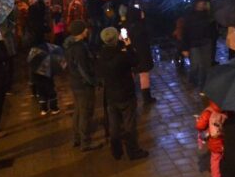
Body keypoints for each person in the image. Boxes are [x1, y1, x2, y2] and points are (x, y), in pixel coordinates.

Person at [96, 27, 149, 160]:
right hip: (126, 93)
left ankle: (116, 150)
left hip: (111, 95)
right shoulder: (122, 56)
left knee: (114, 124)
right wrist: (129, 45)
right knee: (129, 123)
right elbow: (136, 61)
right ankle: (133, 151)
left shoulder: (101, 55)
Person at [63, 20, 102, 152]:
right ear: (80, 31)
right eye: (85, 29)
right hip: (83, 85)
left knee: (78, 111)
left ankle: (77, 138)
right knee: (86, 112)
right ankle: (86, 142)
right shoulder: (79, 48)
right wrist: (93, 81)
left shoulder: (70, 45)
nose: (87, 31)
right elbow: (83, 69)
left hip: (75, 83)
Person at [181, 0, 217, 95]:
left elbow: (212, 30)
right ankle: (192, 80)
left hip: (205, 42)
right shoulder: (190, 15)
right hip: (193, 43)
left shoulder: (208, 15)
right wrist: (185, 47)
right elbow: (185, 31)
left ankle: (203, 87)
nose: (203, 4)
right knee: (195, 65)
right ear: (196, 3)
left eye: (204, 2)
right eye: (201, 2)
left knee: (205, 66)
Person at [27, 33, 65, 115]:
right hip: (48, 75)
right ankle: (53, 107)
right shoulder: (49, 48)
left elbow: (31, 63)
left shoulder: (34, 51)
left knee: (41, 92)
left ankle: (43, 109)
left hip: (37, 76)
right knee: (51, 91)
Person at [126, 5, 157, 105]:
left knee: (132, 75)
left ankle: (131, 97)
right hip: (142, 54)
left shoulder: (127, 26)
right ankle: (146, 98)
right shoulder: (141, 26)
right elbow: (149, 35)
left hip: (131, 53)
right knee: (144, 75)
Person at [196, 101, 227, 177]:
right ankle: (227, 175)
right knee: (226, 157)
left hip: (215, 141)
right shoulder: (228, 109)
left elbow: (199, 126)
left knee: (215, 160)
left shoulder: (208, 111)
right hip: (226, 140)